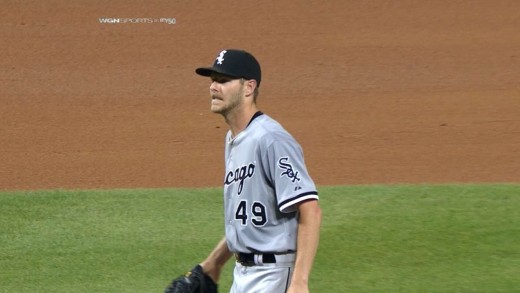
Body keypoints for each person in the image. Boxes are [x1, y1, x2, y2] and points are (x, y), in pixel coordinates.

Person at [195, 49, 322, 293]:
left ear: (248, 87)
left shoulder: (271, 139)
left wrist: (299, 281)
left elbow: (311, 209)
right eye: (212, 80)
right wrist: (214, 263)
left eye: (223, 81)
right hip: (242, 275)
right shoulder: (233, 139)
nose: (213, 87)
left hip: (274, 276)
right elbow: (249, 223)